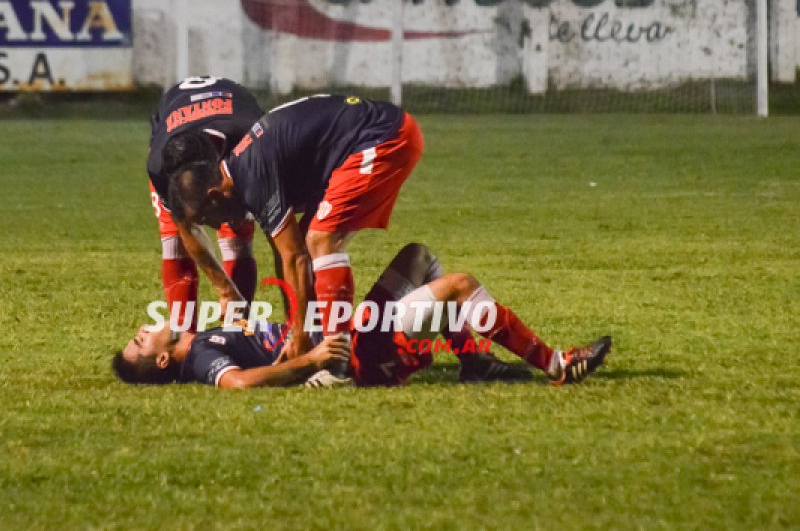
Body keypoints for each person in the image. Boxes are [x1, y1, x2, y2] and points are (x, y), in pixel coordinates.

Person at [112, 243, 612, 388]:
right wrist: (312, 362)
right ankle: (556, 364)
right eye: (139, 342)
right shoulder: (201, 356)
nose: (140, 331)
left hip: (352, 332)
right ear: (162, 360)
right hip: (354, 355)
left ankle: (473, 362)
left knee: (417, 256)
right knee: (458, 286)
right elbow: (239, 384)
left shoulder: (205, 336)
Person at [161, 94, 420, 361]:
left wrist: (299, 333)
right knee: (310, 241)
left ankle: (336, 359)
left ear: (214, 196)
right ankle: (324, 340)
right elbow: (290, 254)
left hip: (382, 134)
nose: (218, 225)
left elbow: (294, 257)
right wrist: (296, 325)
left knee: (321, 239)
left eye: (206, 218)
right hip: (368, 135)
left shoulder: (253, 178)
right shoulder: (244, 171)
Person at [146, 76, 262, 331]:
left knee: (238, 232)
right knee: (174, 239)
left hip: (234, 131)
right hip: (176, 121)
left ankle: (238, 331)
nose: (210, 225)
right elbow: (185, 227)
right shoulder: (159, 166)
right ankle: (184, 335)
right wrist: (224, 288)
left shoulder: (252, 145)